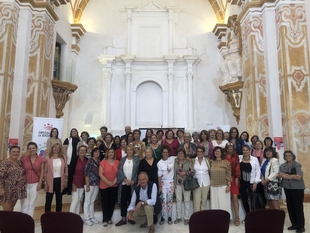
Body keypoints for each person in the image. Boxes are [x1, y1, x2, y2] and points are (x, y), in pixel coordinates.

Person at [279, 150, 305, 233]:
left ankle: (300, 226)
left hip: (297, 188)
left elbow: (298, 177)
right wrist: (291, 176)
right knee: (290, 206)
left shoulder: (297, 165)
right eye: (286, 156)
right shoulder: (282, 165)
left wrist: (286, 175)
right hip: (287, 188)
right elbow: (280, 175)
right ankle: (294, 224)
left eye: (289, 155)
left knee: (298, 207)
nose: (288, 157)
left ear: (292, 156)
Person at [115, 145, 140, 226]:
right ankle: (123, 218)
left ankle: (131, 217)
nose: (129, 151)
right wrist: (125, 179)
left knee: (131, 201)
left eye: (131, 150)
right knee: (123, 201)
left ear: (133, 151)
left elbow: (139, 171)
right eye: (128, 150)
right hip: (124, 184)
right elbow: (119, 171)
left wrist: (134, 181)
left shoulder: (137, 160)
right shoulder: (122, 160)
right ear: (126, 151)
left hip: (133, 184)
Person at [21, 142, 45, 217]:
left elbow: (42, 171)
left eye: (33, 148)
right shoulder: (23, 158)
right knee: (25, 203)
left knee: (32, 203)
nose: (32, 150)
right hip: (25, 183)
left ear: (36, 148)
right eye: (30, 148)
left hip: (35, 183)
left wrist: (40, 183)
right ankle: (23, 220)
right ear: (28, 149)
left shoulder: (41, 159)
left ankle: (29, 220)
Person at [0, 146, 27, 211]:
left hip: (16, 191)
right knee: (7, 212)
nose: (15, 153)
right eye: (13, 152)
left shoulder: (19, 162)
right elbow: (0, 177)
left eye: (17, 152)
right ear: (9, 152)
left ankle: (10, 221)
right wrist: (1, 189)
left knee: (11, 210)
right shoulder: (5, 163)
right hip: (7, 191)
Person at [44, 143, 68, 212]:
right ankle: (47, 216)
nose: (56, 149)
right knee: (49, 199)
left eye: (58, 147)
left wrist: (66, 180)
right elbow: (45, 172)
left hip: (60, 180)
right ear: (52, 148)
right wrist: (45, 182)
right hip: (50, 180)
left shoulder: (63, 157)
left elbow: (66, 170)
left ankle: (58, 215)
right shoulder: (47, 158)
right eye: (55, 147)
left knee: (59, 199)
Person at [99, 148, 119, 227]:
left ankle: (109, 218)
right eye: (109, 152)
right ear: (107, 153)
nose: (111, 154)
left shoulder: (117, 162)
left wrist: (114, 182)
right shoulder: (102, 162)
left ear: (114, 154)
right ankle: (105, 220)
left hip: (114, 185)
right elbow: (100, 174)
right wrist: (108, 183)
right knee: (105, 203)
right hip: (104, 186)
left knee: (112, 202)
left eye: (112, 152)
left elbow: (119, 173)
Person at [238, 145, 261, 216]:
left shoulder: (254, 159)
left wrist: (255, 183)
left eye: (246, 150)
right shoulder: (239, 158)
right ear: (242, 151)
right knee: (244, 200)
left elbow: (258, 171)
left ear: (250, 150)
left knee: (253, 200)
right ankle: (248, 215)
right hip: (242, 183)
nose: (245, 151)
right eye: (244, 150)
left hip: (251, 182)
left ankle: (254, 216)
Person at [210, 146, 232, 217]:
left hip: (223, 186)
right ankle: (216, 218)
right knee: (214, 203)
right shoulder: (211, 162)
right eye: (215, 151)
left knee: (224, 203)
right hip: (213, 186)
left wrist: (229, 185)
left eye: (218, 151)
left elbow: (229, 174)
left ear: (221, 153)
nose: (217, 153)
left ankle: (225, 217)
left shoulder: (226, 162)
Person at [173, 147, 193, 225]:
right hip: (177, 184)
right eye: (179, 153)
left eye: (182, 153)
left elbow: (192, 171)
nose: (180, 154)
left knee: (187, 200)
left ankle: (186, 218)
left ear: (184, 154)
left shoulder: (188, 161)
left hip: (186, 183)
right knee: (178, 200)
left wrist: (185, 173)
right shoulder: (175, 161)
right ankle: (178, 217)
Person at [157, 145, 174, 225]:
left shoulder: (172, 159)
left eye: (167, 152)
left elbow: (182, 156)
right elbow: (159, 176)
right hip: (163, 183)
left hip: (171, 183)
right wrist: (160, 186)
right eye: (164, 152)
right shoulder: (159, 163)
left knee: (170, 200)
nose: (165, 153)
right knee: (163, 201)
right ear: (162, 153)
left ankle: (170, 216)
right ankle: (163, 217)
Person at [83, 147, 100, 226]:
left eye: (98, 152)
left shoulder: (99, 161)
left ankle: (91, 216)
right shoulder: (89, 161)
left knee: (92, 201)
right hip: (89, 184)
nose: (97, 153)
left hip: (96, 184)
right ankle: (86, 218)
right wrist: (87, 185)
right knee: (87, 201)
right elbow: (86, 173)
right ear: (92, 153)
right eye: (95, 152)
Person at [225, 143, 240, 226]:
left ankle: (237, 217)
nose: (229, 150)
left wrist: (237, 177)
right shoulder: (224, 156)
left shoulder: (236, 156)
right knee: (226, 197)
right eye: (228, 148)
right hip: (225, 178)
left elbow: (237, 166)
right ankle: (227, 217)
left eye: (231, 148)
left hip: (234, 178)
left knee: (234, 197)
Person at [70, 145, 88, 214]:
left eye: (84, 150)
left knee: (79, 200)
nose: (82, 152)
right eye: (81, 150)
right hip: (75, 183)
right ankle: (71, 216)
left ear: (86, 152)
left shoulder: (87, 160)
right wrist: (73, 184)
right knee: (75, 200)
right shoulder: (74, 159)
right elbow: (71, 172)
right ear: (78, 151)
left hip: (83, 183)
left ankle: (76, 216)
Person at [192, 146, 211, 212]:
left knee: (204, 201)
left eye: (201, 152)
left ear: (203, 152)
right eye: (198, 151)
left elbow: (210, 170)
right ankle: (196, 218)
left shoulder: (207, 160)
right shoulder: (193, 161)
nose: (199, 153)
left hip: (206, 182)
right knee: (196, 201)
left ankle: (203, 217)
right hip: (196, 183)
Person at [63, 128, 80, 195]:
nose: (74, 132)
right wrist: (65, 156)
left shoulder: (79, 140)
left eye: (75, 131)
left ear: (77, 132)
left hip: (77, 159)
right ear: (71, 133)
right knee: (69, 175)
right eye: (72, 131)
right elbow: (64, 148)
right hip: (70, 159)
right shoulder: (68, 139)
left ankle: (75, 188)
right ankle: (68, 190)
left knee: (76, 175)